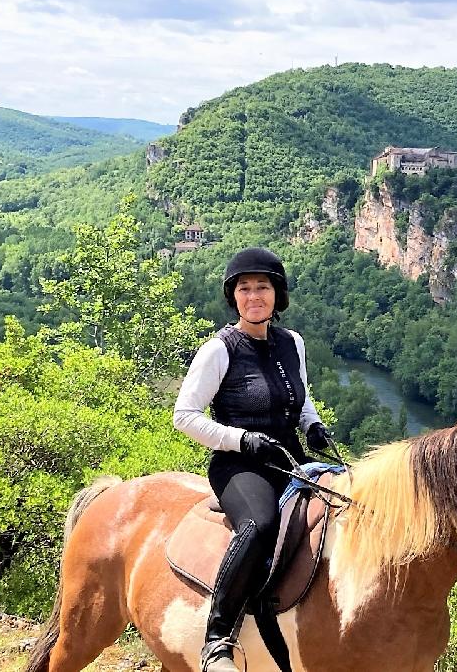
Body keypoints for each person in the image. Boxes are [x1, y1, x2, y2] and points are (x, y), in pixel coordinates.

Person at [172, 247, 332, 672]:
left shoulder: (291, 342)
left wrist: (312, 424)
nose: (254, 295)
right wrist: (241, 440)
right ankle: (217, 637)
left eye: (263, 287)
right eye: (245, 289)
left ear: (277, 295)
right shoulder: (219, 350)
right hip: (239, 465)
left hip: (288, 458)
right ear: (234, 297)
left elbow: (300, 396)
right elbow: (184, 416)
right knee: (259, 524)